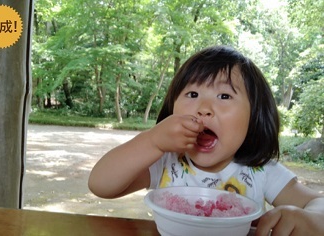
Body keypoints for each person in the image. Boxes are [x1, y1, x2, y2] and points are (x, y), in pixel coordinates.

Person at [88, 45, 324, 235]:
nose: (203, 108)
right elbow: (101, 184)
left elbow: (318, 204)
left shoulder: (261, 172)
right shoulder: (166, 162)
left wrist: (310, 219)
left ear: (254, 116)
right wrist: (151, 142)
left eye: (224, 95)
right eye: (192, 94)